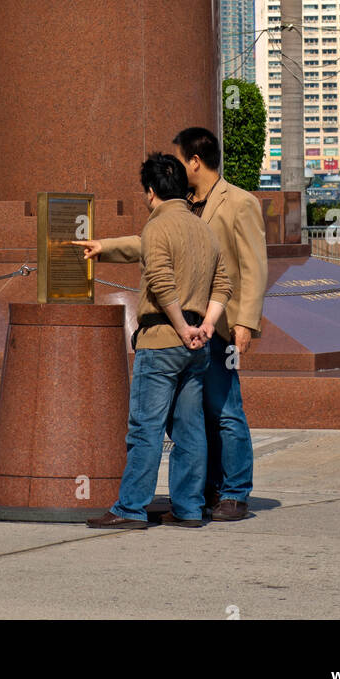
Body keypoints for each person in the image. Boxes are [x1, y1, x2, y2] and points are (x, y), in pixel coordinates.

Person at [83, 126, 268, 522]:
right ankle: (193, 501)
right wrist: (105, 247)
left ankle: (233, 492)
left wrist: (245, 324)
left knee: (224, 412)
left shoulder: (239, 203)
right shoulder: (191, 212)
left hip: (210, 329)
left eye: (181, 159)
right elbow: (155, 245)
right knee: (192, 424)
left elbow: (252, 268)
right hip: (202, 330)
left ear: (194, 161)